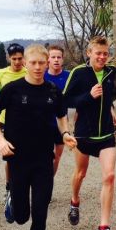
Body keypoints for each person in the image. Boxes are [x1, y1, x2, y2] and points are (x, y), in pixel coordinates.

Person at [0, 44, 77, 230]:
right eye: (33, 63)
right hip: (18, 159)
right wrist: (0, 139)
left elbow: (61, 115)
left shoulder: (52, 91)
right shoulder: (13, 89)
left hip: (43, 160)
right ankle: (13, 200)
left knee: (40, 213)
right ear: (25, 63)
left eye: (41, 63)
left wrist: (66, 133)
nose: (37, 67)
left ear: (47, 63)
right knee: (21, 217)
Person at [63, 36, 116, 230]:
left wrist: (111, 108)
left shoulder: (111, 71)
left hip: (106, 134)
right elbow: (65, 100)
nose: (102, 57)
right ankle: (75, 200)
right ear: (89, 53)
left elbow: (108, 95)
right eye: (98, 53)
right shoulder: (79, 73)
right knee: (81, 173)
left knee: (110, 176)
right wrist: (88, 96)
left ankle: (104, 228)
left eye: (105, 53)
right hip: (84, 135)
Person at [0, 43, 27, 206]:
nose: (17, 62)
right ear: (8, 58)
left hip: (27, 121)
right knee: (10, 158)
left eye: (20, 58)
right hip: (6, 121)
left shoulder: (29, 72)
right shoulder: (1, 74)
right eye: (14, 59)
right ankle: (9, 187)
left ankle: (24, 188)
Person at [44, 45, 70, 175]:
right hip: (44, 123)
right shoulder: (41, 76)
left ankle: (48, 183)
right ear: (47, 59)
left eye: (58, 57)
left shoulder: (69, 77)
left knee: (56, 158)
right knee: (44, 157)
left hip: (62, 124)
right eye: (53, 57)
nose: (56, 60)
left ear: (62, 59)